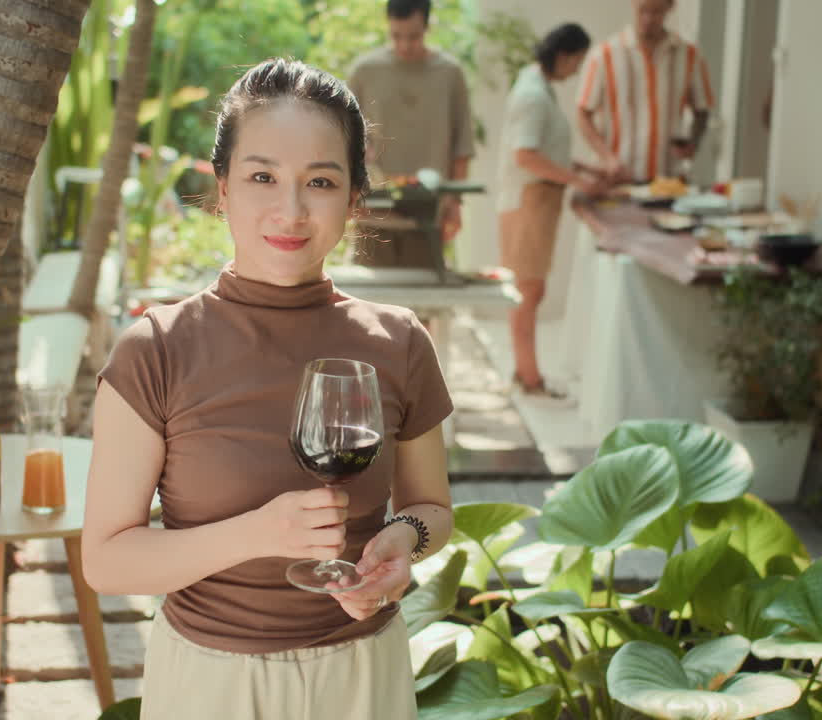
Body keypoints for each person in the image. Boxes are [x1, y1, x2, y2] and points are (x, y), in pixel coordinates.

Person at [82, 58, 455, 720]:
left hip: (362, 675)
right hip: (210, 682)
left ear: (354, 198)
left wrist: (402, 542)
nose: (290, 209)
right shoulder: (156, 350)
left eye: (320, 181)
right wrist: (259, 533)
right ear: (222, 188)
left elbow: (431, 507)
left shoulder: (399, 343)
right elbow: (107, 562)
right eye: (262, 177)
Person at [496, 23, 601, 397]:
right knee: (528, 291)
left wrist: (583, 169)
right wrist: (578, 180)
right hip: (530, 201)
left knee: (529, 289)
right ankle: (529, 377)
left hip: (535, 200)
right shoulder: (534, 95)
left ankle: (526, 373)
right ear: (565, 55)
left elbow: (542, 149)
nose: (576, 71)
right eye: (577, 62)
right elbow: (526, 155)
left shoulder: (537, 85)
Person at [347, 0, 475, 268]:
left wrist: (455, 203)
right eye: (396, 36)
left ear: (428, 27)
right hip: (373, 214)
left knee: (423, 305)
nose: (405, 45)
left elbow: (462, 146)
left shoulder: (450, 74)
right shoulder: (365, 72)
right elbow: (344, 141)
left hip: (428, 215)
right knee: (370, 305)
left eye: (414, 37)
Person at [576, 0, 715, 183]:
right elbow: (583, 114)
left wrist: (693, 141)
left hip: (668, 180)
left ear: (671, 7)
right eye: (643, 10)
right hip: (615, 180)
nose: (648, 19)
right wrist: (607, 158)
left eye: (656, 12)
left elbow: (702, 109)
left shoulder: (690, 55)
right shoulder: (604, 55)